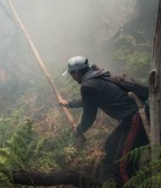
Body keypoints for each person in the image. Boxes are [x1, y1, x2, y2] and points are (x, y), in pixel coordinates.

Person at [58, 55, 149, 187]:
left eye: (72, 75)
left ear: (76, 73)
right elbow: (88, 100)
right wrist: (69, 104)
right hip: (132, 118)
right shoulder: (97, 76)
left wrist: (78, 130)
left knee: (120, 166)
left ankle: (125, 182)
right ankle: (109, 181)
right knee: (111, 145)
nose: (72, 78)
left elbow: (89, 116)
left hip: (136, 119)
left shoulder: (88, 85)